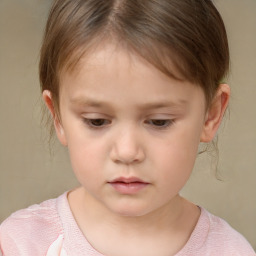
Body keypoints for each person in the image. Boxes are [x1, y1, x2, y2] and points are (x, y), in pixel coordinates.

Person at [0, 0, 255, 255]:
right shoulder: (20, 244)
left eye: (159, 121)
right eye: (97, 121)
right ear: (57, 116)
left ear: (210, 114)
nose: (127, 151)